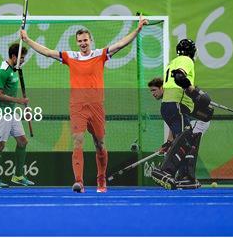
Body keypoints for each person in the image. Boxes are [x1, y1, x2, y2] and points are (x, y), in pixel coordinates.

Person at [20, 15, 149, 193]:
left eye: (85, 40)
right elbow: (48, 52)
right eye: (80, 41)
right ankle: (79, 182)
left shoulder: (101, 54)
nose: (82, 43)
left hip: (96, 107)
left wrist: (138, 30)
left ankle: (101, 179)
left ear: (90, 40)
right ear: (77, 42)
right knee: (77, 142)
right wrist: (27, 40)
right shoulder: (70, 57)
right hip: (78, 107)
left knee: (100, 145)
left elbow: (121, 44)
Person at [149, 39, 213, 190]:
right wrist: (195, 92)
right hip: (177, 103)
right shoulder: (186, 60)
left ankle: (186, 177)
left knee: (188, 138)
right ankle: (164, 171)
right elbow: (179, 77)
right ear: (191, 51)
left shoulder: (174, 61)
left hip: (170, 105)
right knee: (186, 137)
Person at [0, 43, 35, 188]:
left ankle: (18, 176)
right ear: (13, 57)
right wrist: (19, 101)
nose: (23, 61)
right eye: (21, 58)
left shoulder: (15, 70)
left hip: (11, 113)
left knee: (22, 141)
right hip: (0, 114)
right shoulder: (3, 71)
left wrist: (20, 106)